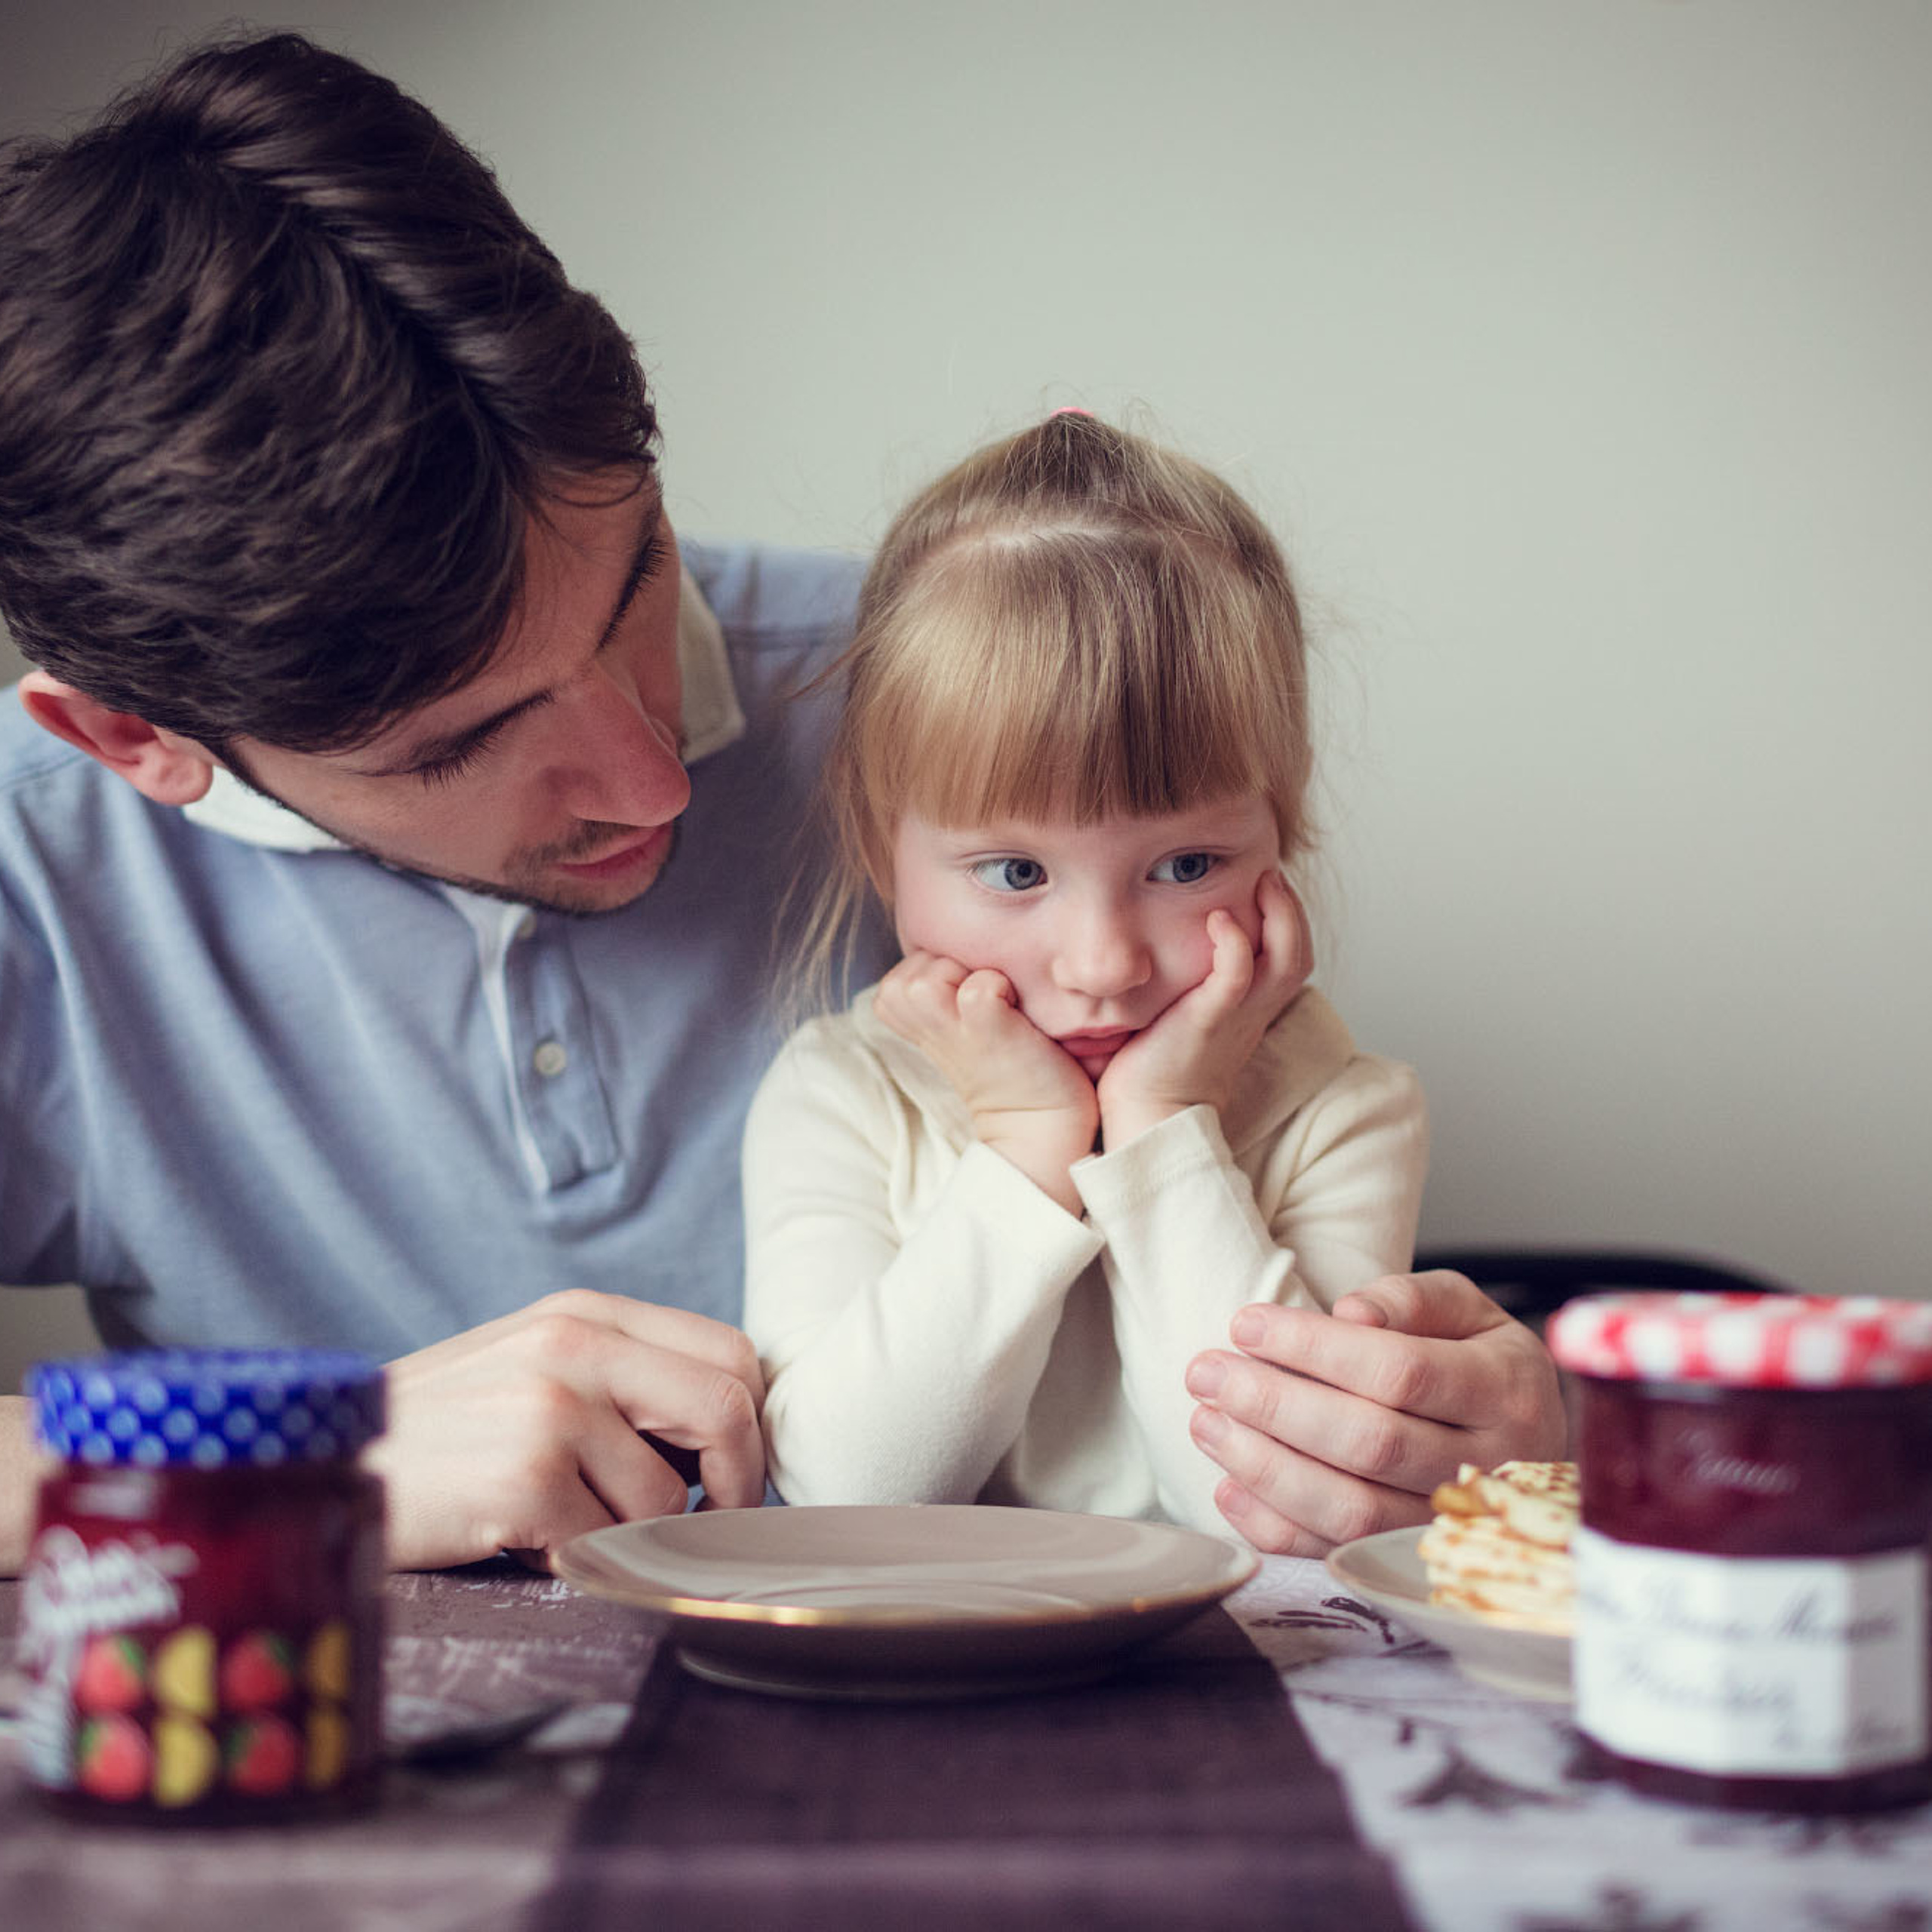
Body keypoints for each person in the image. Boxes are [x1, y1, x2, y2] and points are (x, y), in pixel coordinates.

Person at [0, 33, 1561, 1577]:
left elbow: (1330, 1434)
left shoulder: (950, 684)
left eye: (636, 583)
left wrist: (1521, 1448)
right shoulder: (36, 876)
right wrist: (301, 1464)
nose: (654, 777)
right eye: (456, 742)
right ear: (136, 738)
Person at [744, 413, 1558, 1542]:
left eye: (1185, 866)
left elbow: (1261, 1510)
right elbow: (847, 1498)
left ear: (1281, 836)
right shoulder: (840, 1093)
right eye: (1016, 871)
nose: (1104, 965)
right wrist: (1027, 1146)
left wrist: (1165, 1126)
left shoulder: (1347, 1111)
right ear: (886, 856)